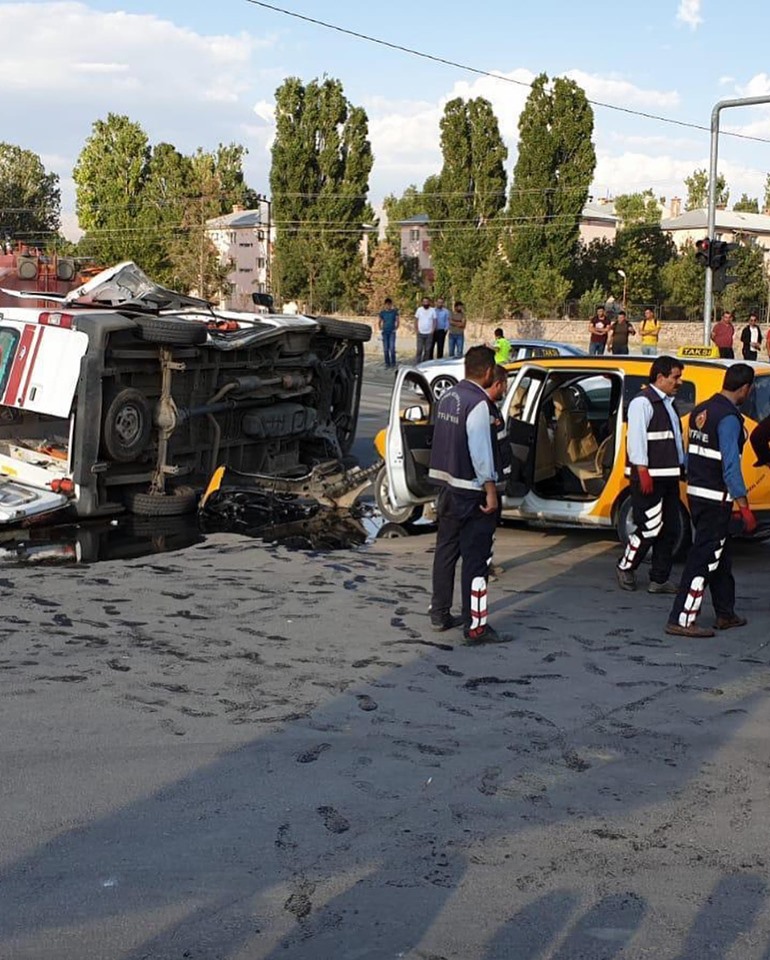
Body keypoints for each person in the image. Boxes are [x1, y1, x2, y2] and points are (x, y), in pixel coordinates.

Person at [666, 363, 757, 638]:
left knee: (721, 555)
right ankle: (681, 618)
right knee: (704, 560)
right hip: (717, 499)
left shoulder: (701, 411)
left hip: (697, 493)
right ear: (745, 389)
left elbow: (693, 453)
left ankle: (725, 613)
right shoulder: (729, 419)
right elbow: (731, 466)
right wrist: (744, 506)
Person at [428, 345, 510, 644]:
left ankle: (439, 613)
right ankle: (476, 626)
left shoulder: (448, 396)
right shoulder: (478, 404)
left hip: (447, 489)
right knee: (476, 561)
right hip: (471, 492)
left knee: (446, 552)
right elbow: (480, 451)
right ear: (489, 372)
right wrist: (490, 489)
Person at [616, 356, 686, 594]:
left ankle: (659, 579)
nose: (679, 382)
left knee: (670, 529)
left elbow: (673, 440)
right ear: (660, 377)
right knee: (649, 527)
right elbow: (636, 439)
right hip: (649, 478)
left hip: (668, 477)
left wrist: (682, 466)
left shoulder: (668, 402)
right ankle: (626, 566)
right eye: (675, 377)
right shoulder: (642, 402)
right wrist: (642, 470)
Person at [378, 297, 399, 369]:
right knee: (385, 349)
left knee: (392, 348)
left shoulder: (394, 312)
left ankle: (393, 363)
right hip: (385, 332)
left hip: (392, 332)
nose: (388, 306)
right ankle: (387, 363)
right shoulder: (382, 313)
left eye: (389, 305)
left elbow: (397, 320)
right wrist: (380, 329)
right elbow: (379, 321)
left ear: (391, 305)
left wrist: (396, 328)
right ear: (385, 305)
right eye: (387, 305)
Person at [414, 297, 436, 364]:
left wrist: (432, 330)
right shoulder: (419, 310)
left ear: (429, 302)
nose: (425, 303)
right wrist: (417, 330)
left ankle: (425, 364)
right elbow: (416, 320)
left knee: (427, 350)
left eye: (427, 302)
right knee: (419, 349)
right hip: (420, 333)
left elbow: (434, 321)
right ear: (422, 303)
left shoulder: (432, 310)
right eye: (424, 302)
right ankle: (417, 363)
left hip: (429, 333)